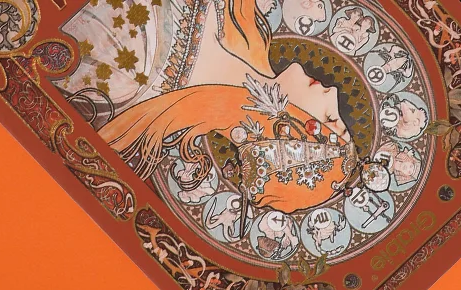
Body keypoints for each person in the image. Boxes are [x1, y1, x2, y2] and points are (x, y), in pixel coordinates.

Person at [62, 0, 356, 216]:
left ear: (284, 134)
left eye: (330, 118)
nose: (333, 93)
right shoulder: (236, 18)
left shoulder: (133, 73)